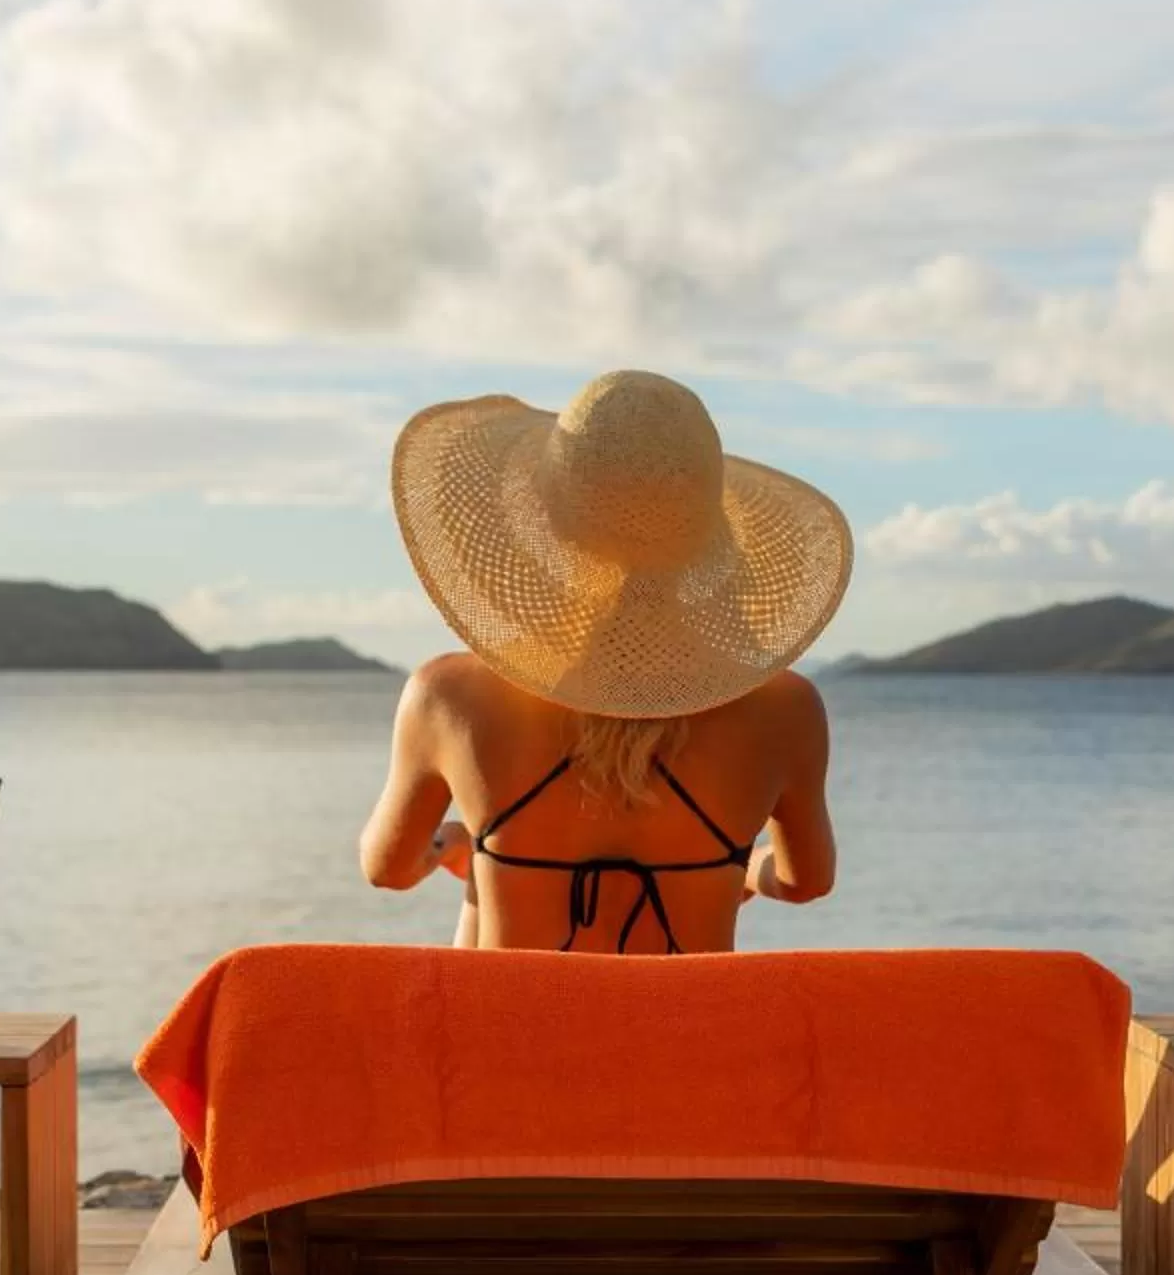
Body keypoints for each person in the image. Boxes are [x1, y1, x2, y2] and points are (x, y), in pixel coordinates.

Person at [359, 370, 852, 954]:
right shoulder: (784, 708)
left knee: (484, 889)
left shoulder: (450, 696)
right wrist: (738, 868)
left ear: (543, 527)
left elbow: (387, 870)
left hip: (509, 1035)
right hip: (683, 1035)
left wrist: (454, 843)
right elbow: (805, 882)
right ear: (708, 536)